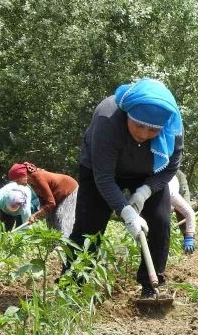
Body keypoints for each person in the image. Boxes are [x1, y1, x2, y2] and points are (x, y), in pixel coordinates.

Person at [66, 77, 183, 297]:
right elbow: (104, 178)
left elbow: (170, 170)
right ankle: (72, 284)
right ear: (128, 114)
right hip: (99, 170)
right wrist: (126, 211)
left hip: (150, 172)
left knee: (160, 222)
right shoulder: (107, 119)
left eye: (152, 131)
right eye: (139, 125)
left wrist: (145, 191)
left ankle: (151, 285)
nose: (143, 134)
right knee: (89, 226)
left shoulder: (172, 128)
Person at [8, 162, 78, 238]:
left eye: (18, 181)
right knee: (50, 218)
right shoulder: (32, 183)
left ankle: (64, 244)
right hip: (56, 196)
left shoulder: (39, 178)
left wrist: (35, 215)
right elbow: (43, 200)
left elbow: (51, 203)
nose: (18, 184)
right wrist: (40, 213)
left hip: (69, 190)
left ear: (24, 176)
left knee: (60, 216)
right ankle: (54, 243)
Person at [168, 173, 196, 253]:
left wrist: (189, 237)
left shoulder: (171, 194)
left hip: (174, 183)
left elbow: (189, 213)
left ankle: (190, 241)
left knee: (182, 214)